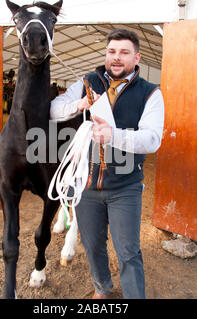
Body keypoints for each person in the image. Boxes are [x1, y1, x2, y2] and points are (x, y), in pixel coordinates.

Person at [50, 29, 164, 299]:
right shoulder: (89, 81)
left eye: (124, 52)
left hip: (125, 186)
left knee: (128, 251)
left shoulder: (150, 93)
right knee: (92, 245)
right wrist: (78, 104)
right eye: (112, 51)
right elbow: (53, 110)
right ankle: (102, 288)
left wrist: (115, 136)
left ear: (136, 58)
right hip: (86, 184)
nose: (116, 58)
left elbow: (152, 140)